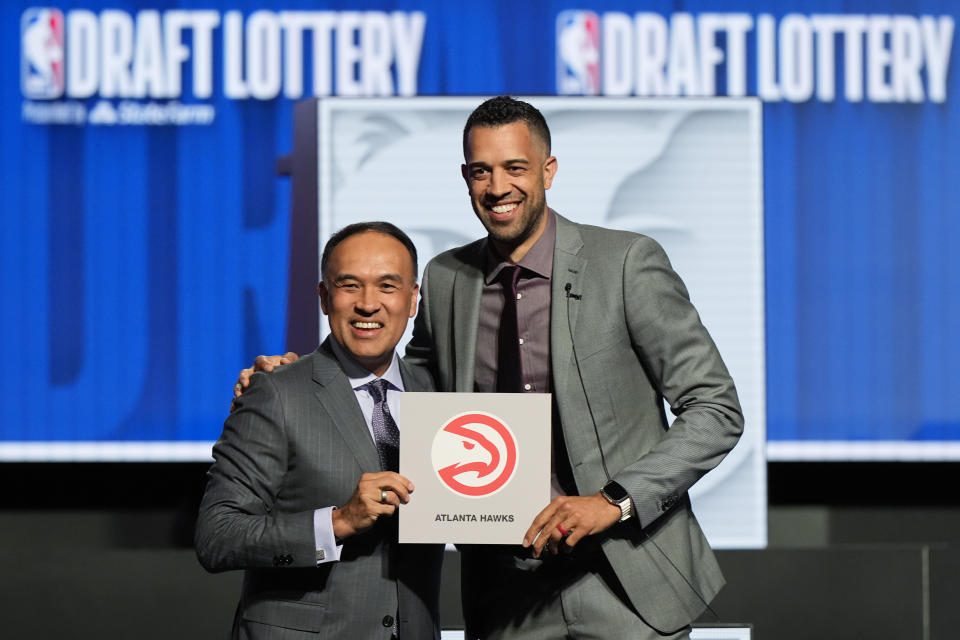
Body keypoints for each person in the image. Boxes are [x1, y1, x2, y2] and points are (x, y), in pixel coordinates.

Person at [239, 96, 744, 639]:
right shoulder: (445, 278)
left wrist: (613, 502)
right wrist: (310, 377)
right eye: (482, 171)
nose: (498, 186)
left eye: (515, 168)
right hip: (505, 591)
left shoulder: (625, 263)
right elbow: (409, 388)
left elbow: (715, 410)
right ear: (466, 176)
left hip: (624, 576)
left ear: (548, 170)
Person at [197, 222, 443, 640]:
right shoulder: (277, 391)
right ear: (325, 298)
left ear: (413, 299)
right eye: (350, 286)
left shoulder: (441, 394)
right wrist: (339, 522)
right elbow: (217, 537)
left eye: (387, 286)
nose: (369, 304)